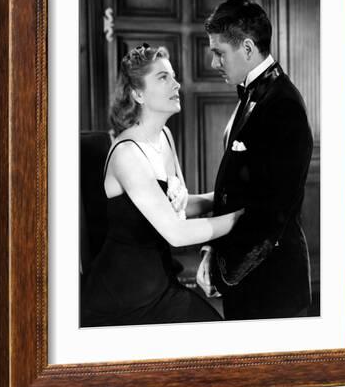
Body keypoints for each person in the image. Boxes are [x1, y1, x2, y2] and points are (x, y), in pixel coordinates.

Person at [81, 43, 243, 327]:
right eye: (163, 77)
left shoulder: (164, 136)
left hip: (160, 281)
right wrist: (241, 219)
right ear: (138, 94)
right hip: (124, 297)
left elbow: (179, 208)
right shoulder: (127, 153)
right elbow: (176, 233)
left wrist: (228, 198)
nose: (177, 84)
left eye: (173, 75)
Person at [196, 0, 313, 320]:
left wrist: (222, 272)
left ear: (247, 48)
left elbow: (270, 216)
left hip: (272, 283)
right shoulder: (252, 93)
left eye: (219, 52)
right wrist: (211, 250)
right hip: (246, 271)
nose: (213, 62)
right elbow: (237, 192)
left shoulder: (283, 106)